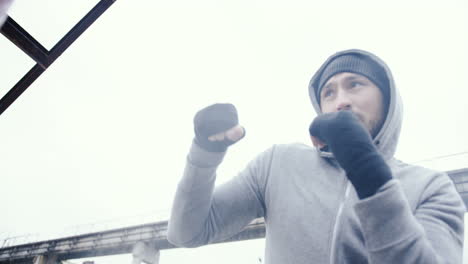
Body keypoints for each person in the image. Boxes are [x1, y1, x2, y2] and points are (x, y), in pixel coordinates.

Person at [167, 49, 465, 263]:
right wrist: (205, 153)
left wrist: (372, 180)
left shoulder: (432, 188)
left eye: (355, 85)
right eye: (329, 93)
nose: (342, 102)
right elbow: (187, 233)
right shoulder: (277, 165)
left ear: (387, 100)